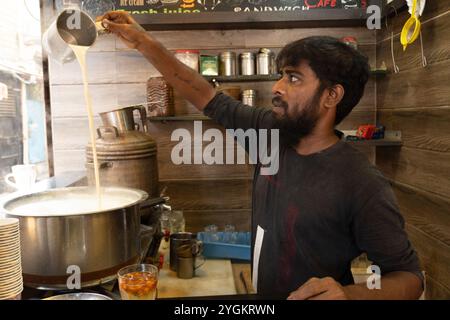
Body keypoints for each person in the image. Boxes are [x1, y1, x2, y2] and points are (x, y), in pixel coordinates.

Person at [100, 11, 423, 300]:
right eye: (281, 75)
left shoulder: (361, 182)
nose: (278, 87)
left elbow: (409, 278)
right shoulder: (268, 133)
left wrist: (349, 295)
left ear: (331, 95)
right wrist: (142, 41)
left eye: (293, 78)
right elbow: (199, 90)